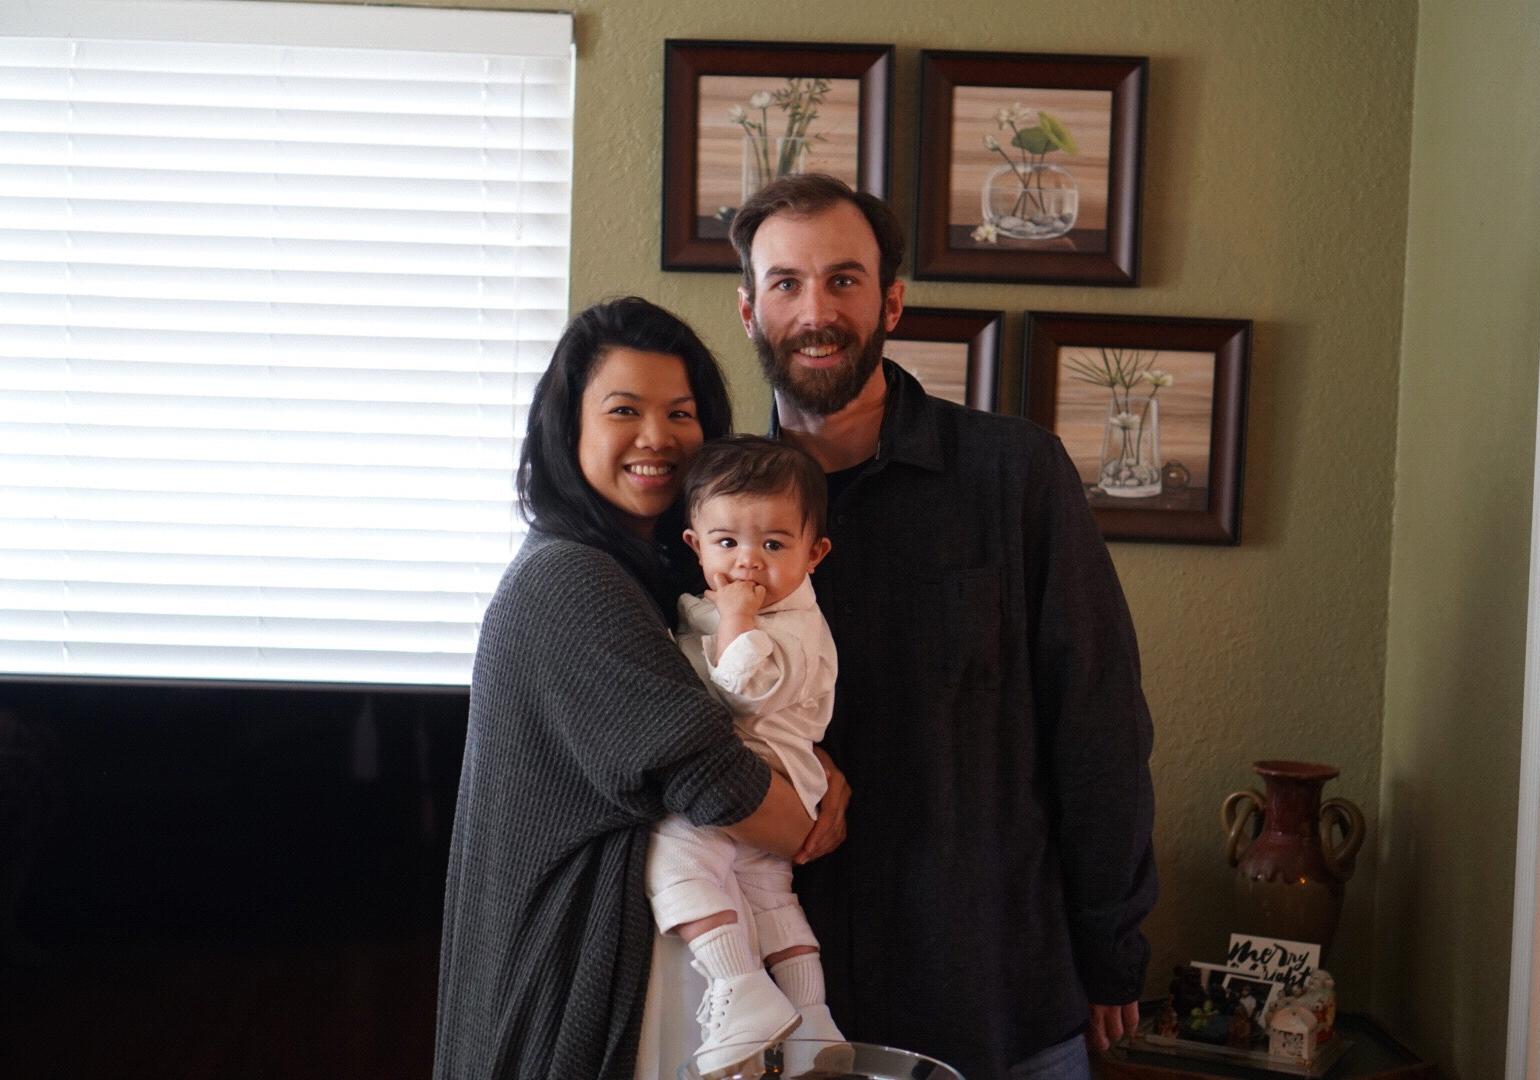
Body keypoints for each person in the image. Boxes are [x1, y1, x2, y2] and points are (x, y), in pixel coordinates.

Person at [728, 175, 1158, 1080]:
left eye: (844, 281)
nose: (817, 311)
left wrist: (1111, 942)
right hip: (769, 1001)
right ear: (748, 309)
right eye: (787, 284)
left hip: (996, 993)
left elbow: (1100, 723)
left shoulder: (1015, 473)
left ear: (891, 300)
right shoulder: (710, 508)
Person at [432, 297, 848, 1080]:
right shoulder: (569, 580)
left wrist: (816, 771)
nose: (658, 438)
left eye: (681, 413)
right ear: (570, 428)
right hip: (573, 974)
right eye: (625, 410)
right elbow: (714, 779)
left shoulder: (655, 580)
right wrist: (808, 814)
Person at [645, 434, 845, 1074]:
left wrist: (735, 618)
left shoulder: (789, 625)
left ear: (814, 554)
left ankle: (741, 989)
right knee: (768, 898)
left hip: (760, 784)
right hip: (781, 792)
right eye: (727, 542)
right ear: (695, 545)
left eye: (774, 545)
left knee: (670, 859)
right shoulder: (736, 608)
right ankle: (812, 1020)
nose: (748, 563)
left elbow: (747, 690)